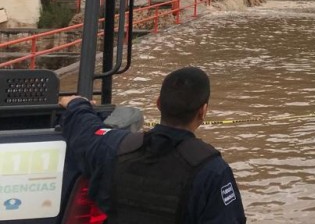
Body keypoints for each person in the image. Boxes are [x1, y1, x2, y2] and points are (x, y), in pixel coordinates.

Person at [59, 66, 246, 223]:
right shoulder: (212, 171)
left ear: (158, 103)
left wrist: (77, 104)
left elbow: (85, 131)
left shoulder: (115, 147)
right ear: (203, 111)